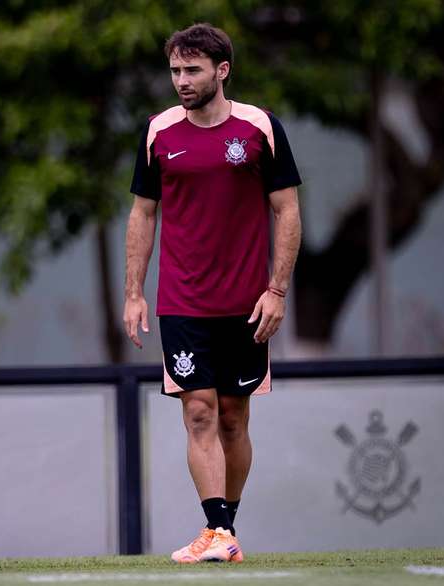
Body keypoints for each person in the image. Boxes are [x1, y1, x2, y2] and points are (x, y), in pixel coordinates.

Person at [123, 23, 302, 563]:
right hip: (182, 302)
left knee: (232, 418)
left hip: (247, 302)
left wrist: (277, 290)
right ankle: (218, 529)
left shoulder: (260, 128)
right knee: (199, 411)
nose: (181, 80)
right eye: (175, 70)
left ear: (222, 71)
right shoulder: (157, 132)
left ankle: (225, 529)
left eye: (192, 70)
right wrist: (133, 292)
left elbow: (287, 210)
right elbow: (143, 214)